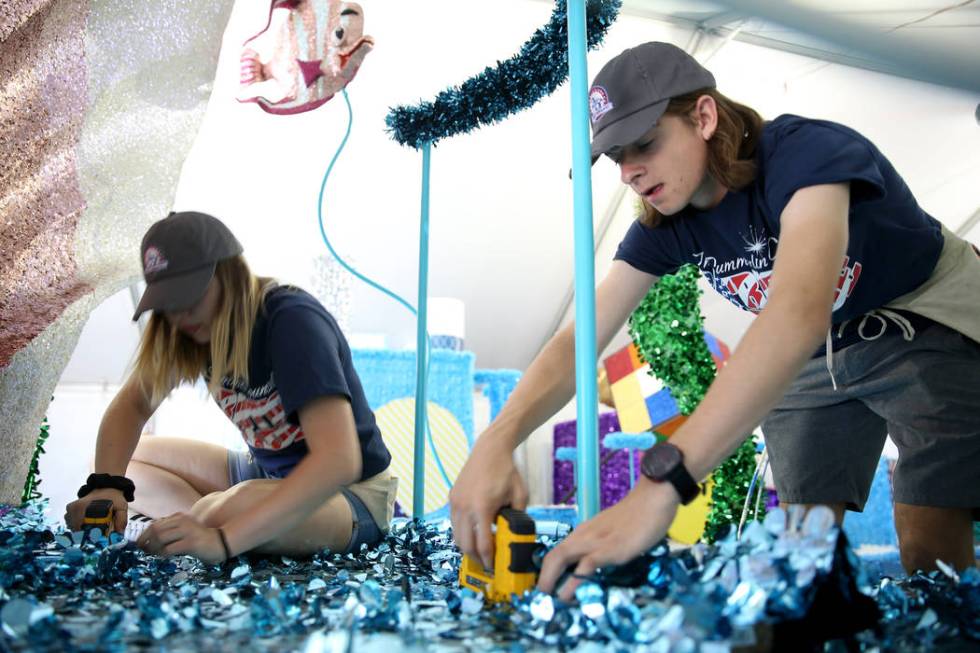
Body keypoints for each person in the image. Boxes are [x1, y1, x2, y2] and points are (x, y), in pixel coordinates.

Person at [449, 42, 980, 600]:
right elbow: (578, 340)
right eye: (616, 157)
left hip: (916, 319)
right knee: (798, 547)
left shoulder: (809, 154)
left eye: (645, 145)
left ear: (703, 116)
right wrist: (497, 440)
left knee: (929, 548)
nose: (629, 172)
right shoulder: (665, 222)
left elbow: (797, 309)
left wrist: (662, 485)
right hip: (815, 349)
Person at [65, 211, 396, 563]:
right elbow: (131, 408)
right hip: (265, 472)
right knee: (117, 465)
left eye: (189, 295)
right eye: (168, 303)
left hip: (352, 495)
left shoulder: (291, 322)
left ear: (229, 274)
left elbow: (338, 462)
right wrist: (107, 487)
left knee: (229, 507)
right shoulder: (189, 331)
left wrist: (222, 540)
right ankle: (202, 523)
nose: (180, 315)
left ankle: (209, 523)